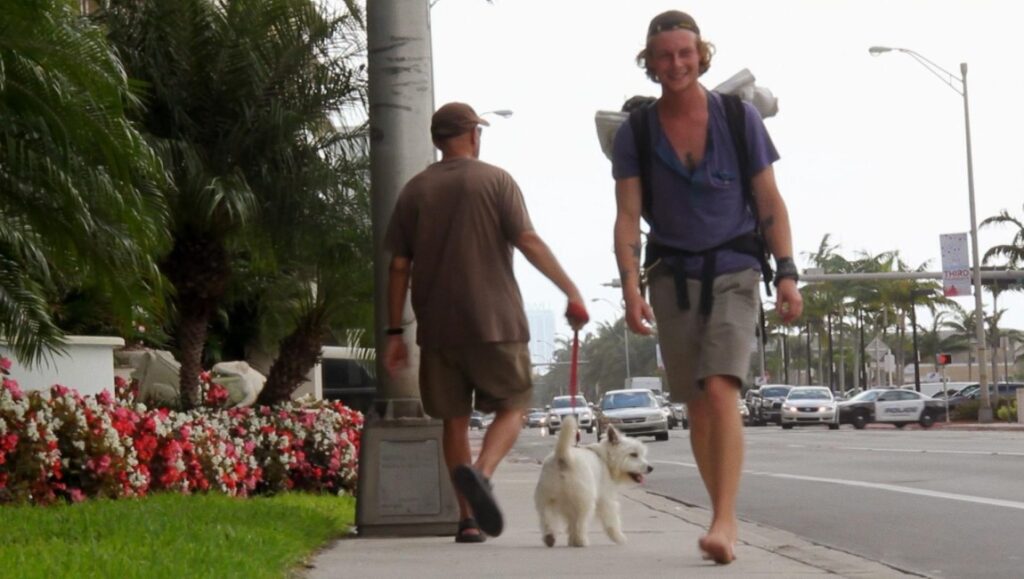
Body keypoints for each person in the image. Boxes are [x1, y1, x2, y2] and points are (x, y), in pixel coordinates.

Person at [611, 11, 803, 564]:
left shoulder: (737, 118)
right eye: (664, 55)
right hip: (671, 274)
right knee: (695, 403)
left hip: (736, 265)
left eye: (685, 53)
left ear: (701, 55)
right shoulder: (637, 133)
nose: (675, 64)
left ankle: (724, 518)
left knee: (721, 388)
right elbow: (627, 217)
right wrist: (630, 287)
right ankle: (719, 511)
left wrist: (787, 273)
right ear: (649, 62)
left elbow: (770, 201)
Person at [384, 102, 588, 543]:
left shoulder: (413, 191)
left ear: (438, 140)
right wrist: (570, 290)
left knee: (453, 421)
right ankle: (482, 472)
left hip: (438, 328)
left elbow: (399, 267)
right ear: (474, 135)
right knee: (514, 405)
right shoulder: (496, 180)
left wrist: (394, 333)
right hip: (497, 321)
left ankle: (468, 520)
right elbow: (527, 240)